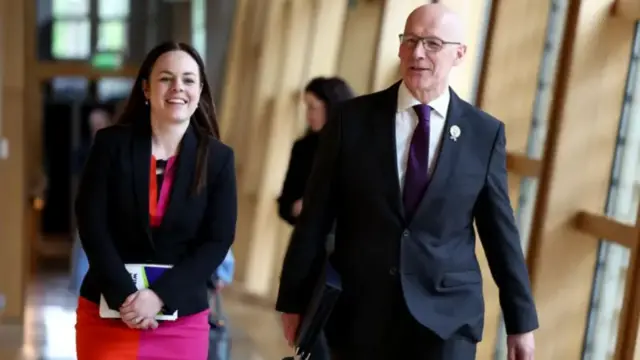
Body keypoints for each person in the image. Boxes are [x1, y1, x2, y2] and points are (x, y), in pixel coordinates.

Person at [276, 4, 538, 360]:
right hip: (361, 313)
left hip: (447, 318)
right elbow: (315, 216)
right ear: (399, 47)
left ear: (458, 54)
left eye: (432, 43)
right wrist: (292, 298)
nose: (418, 53)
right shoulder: (351, 120)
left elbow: (500, 232)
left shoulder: (483, 133)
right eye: (410, 40)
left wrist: (520, 322)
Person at [74, 41, 237, 360]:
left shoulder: (218, 159)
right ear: (147, 89)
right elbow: (91, 224)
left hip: (181, 317)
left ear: (200, 90)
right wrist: (126, 297)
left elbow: (217, 241)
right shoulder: (110, 145)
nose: (178, 87)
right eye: (166, 78)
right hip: (109, 310)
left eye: (188, 79)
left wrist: (160, 296)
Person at [277, 77, 355, 359]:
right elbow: (285, 204)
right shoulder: (303, 148)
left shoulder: (355, 149)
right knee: (310, 341)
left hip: (344, 261)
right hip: (309, 259)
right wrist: (303, 207)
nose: (309, 115)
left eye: (313, 107)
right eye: (306, 107)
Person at [69, 106, 114, 295]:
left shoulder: (117, 147)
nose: (97, 128)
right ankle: (82, 289)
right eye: (93, 125)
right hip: (91, 208)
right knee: (84, 249)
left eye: (100, 124)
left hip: (115, 209)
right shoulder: (84, 150)